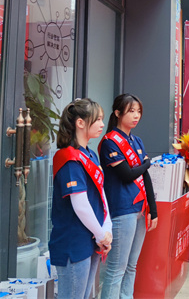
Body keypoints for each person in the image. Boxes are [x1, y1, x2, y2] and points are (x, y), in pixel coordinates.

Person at [49, 98, 112, 299]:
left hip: (91, 239)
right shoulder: (68, 158)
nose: (102, 124)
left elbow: (101, 194)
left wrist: (107, 229)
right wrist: (101, 234)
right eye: (97, 119)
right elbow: (80, 205)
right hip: (73, 241)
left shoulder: (91, 155)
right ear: (80, 123)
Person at [99, 93, 157, 299]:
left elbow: (144, 176)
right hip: (122, 209)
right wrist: (147, 163)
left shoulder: (137, 140)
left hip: (140, 209)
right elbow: (127, 175)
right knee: (116, 269)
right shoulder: (110, 142)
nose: (136, 115)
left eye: (138, 111)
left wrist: (153, 210)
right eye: (131, 111)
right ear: (117, 113)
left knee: (131, 266)